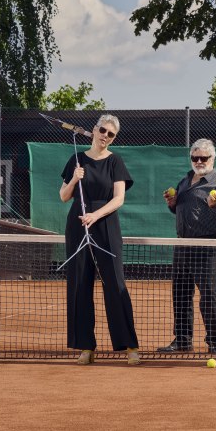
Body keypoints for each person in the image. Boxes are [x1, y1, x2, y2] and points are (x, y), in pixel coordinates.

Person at [59, 114, 140, 366]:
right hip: (78, 224)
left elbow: (119, 199)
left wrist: (96, 214)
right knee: (80, 286)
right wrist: (74, 178)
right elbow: (63, 196)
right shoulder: (77, 159)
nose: (105, 136)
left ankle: (130, 346)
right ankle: (85, 347)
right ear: (94, 130)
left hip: (105, 224)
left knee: (115, 284)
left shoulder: (115, 161)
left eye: (111, 134)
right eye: (102, 130)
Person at [157, 139, 216, 356]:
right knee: (181, 293)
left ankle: (214, 342)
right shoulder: (185, 181)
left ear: (213, 158)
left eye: (204, 158)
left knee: (209, 294)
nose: (200, 161)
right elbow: (182, 211)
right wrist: (173, 204)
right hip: (183, 243)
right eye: (195, 158)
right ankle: (182, 340)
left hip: (209, 245)